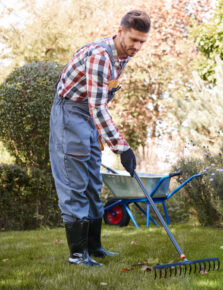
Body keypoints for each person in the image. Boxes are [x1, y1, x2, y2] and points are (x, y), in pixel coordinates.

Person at [49, 10, 150, 267]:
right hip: (71, 114)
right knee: (76, 184)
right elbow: (98, 106)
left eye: (142, 42)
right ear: (120, 31)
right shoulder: (99, 56)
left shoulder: (122, 56)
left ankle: (93, 248)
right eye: (133, 40)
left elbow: (100, 102)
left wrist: (106, 136)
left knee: (93, 184)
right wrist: (122, 147)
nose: (137, 46)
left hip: (88, 117)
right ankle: (77, 256)